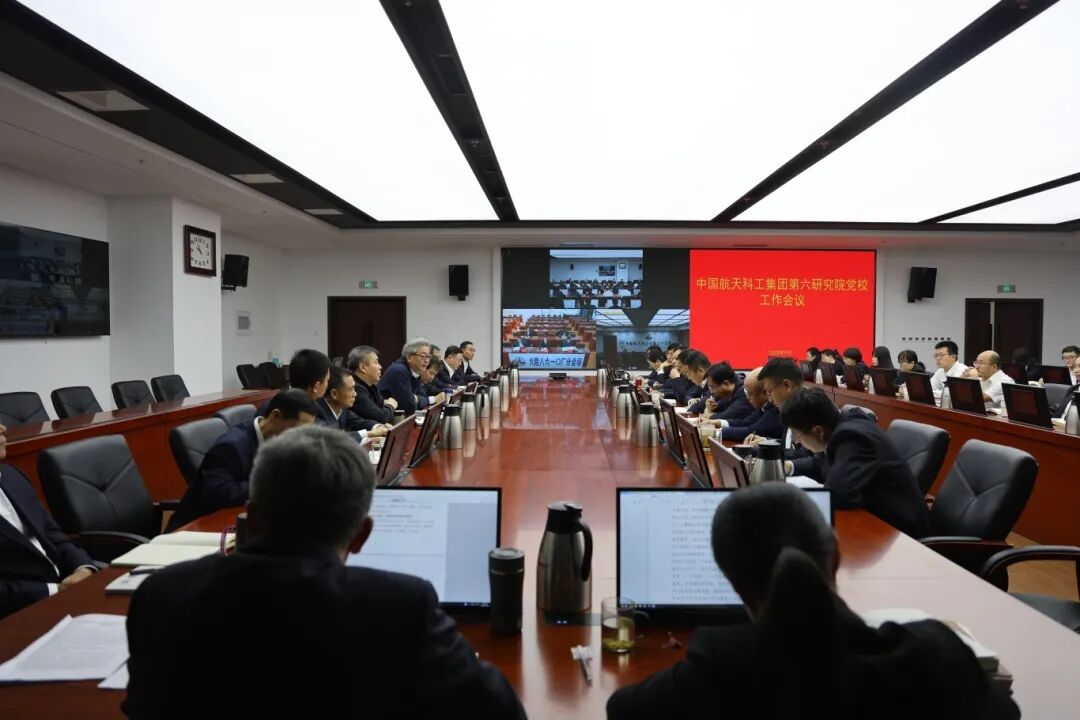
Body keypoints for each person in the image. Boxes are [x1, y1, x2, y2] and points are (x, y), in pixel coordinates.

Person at [125, 425, 525, 720]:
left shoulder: (161, 592)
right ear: (362, 535)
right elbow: (498, 710)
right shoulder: (400, 605)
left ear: (252, 517)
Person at [606, 482, 1019, 720]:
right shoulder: (935, 653)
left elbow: (622, 709)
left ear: (728, 576)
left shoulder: (722, 664)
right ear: (835, 555)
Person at [784, 387, 930, 538]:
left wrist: (788, 502)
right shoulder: (843, 425)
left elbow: (838, 495)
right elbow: (821, 464)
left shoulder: (852, 437)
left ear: (819, 431)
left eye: (797, 436)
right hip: (876, 524)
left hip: (901, 534)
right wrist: (789, 466)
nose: (798, 441)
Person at [166, 390, 319, 531]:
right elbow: (218, 493)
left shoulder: (278, 440)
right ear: (275, 416)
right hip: (197, 530)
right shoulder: (231, 446)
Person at [0, 424, 96, 619]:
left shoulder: (12, 476)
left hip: (68, 590)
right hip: (21, 613)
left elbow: (52, 533)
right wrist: (55, 590)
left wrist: (83, 568)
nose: (2, 428)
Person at [706, 368, 783, 442]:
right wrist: (718, 422)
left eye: (750, 394)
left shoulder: (775, 408)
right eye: (746, 393)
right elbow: (746, 422)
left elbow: (751, 431)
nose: (747, 397)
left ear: (764, 392)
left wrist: (716, 432)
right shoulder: (762, 406)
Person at [378, 338, 445, 416]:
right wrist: (431, 399)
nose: (427, 360)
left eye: (428, 357)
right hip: (385, 418)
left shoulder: (415, 371)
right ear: (409, 357)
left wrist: (417, 399)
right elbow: (409, 406)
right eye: (423, 356)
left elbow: (423, 395)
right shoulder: (399, 371)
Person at [758, 357, 809, 457]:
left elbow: (807, 456)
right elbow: (789, 446)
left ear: (787, 385)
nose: (770, 400)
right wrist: (764, 442)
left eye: (769, 392)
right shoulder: (791, 408)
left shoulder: (811, 410)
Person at [317, 367, 389, 437]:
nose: (355, 394)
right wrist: (370, 434)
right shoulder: (317, 414)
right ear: (334, 394)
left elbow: (360, 423)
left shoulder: (342, 409)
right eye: (351, 389)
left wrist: (379, 427)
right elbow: (335, 438)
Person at [257, 349, 330, 417]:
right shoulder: (300, 415)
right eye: (327, 380)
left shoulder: (273, 403)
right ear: (316, 387)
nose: (328, 384)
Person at [347, 345, 397, 424]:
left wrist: (386, 407)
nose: (380, 367)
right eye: (376, 362)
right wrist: (391, 405)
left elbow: (381, 407)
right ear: (363, 367)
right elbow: (382, 417)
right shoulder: (356, 389)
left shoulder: (371, 386)